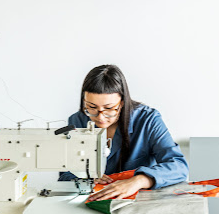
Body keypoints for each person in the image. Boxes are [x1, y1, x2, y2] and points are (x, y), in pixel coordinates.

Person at [59, 64, 189, 201]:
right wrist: (83, 176)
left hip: (138, 204)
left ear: (122, 102)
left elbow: (178, 166)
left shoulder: (148, 120)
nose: (100, 117)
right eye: (91, 107)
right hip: (91, 201)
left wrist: (139, 181)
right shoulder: (77, 120)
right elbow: (65, 173)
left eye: (108, 108)